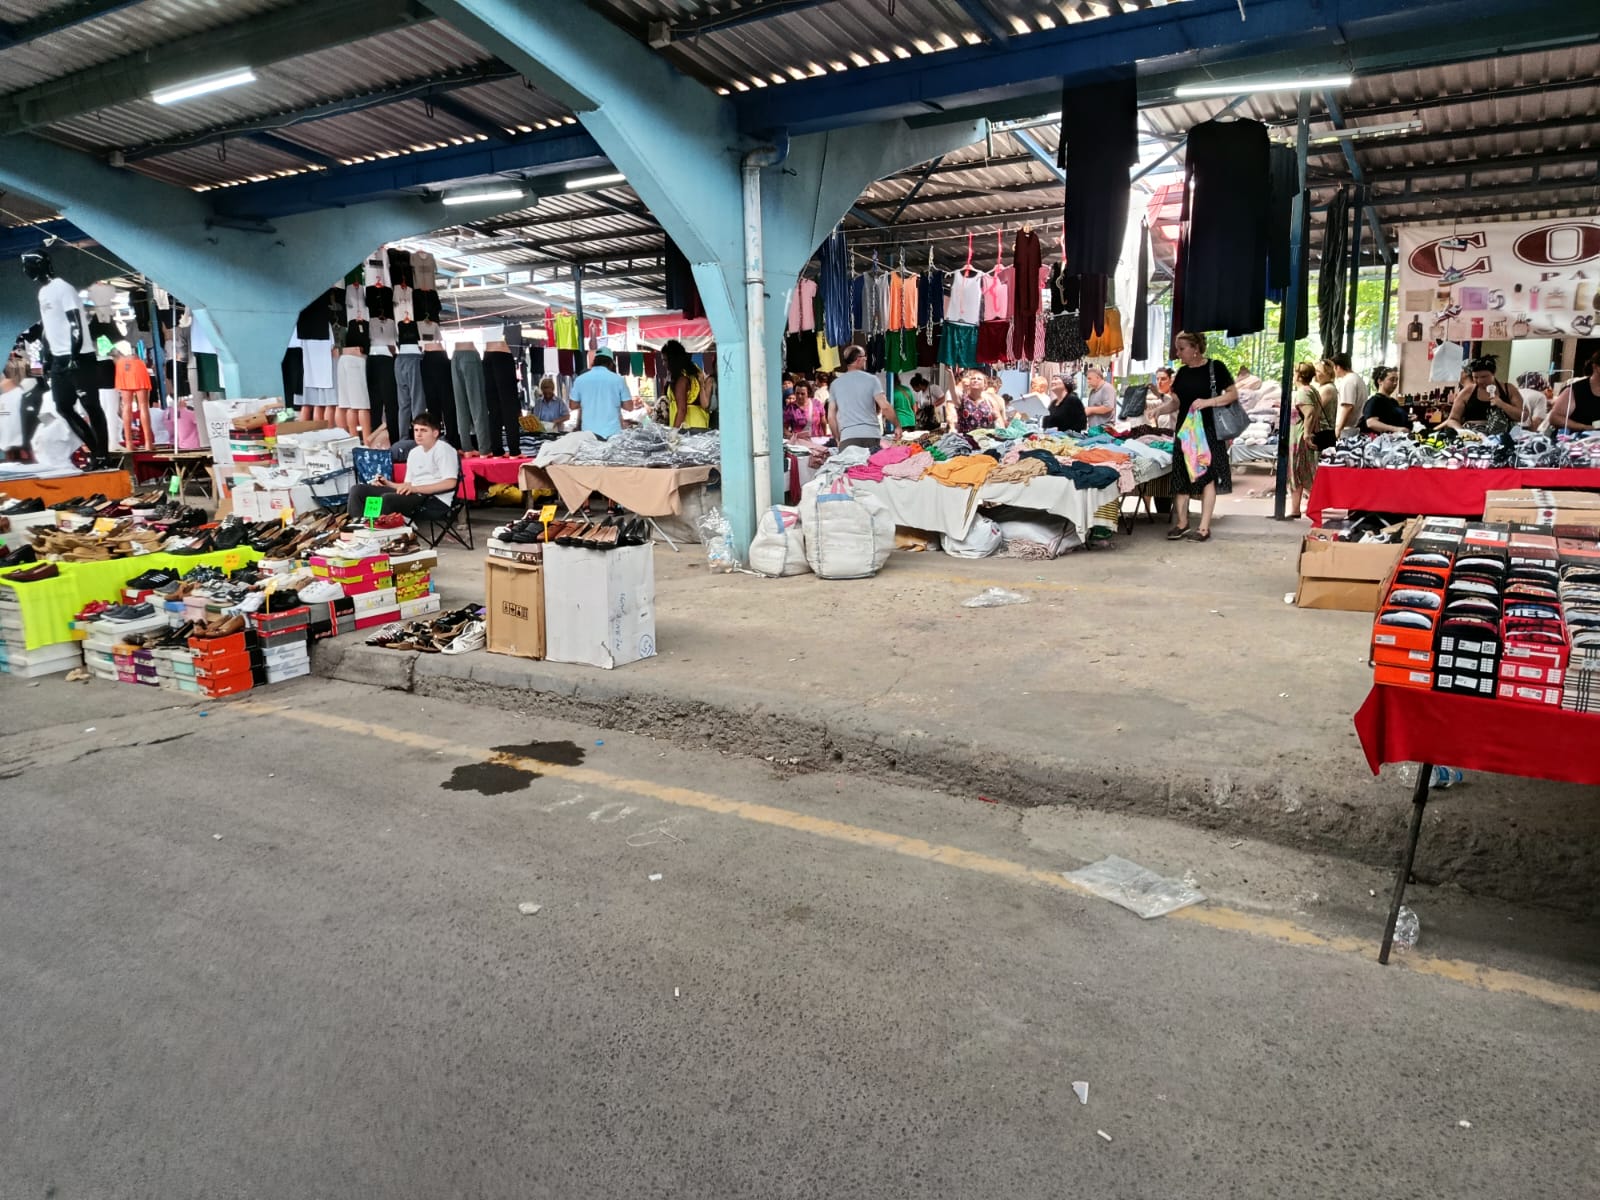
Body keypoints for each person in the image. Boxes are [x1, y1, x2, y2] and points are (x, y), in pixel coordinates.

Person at [1149, 330, 1235, 542]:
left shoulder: (1216, 368)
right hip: (1186, 432)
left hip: (1209, 432)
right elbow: (1177, 403)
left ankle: (1204, 527)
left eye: (1181, 349)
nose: (1178, 353)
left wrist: (1208, 402)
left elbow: (1232, 394)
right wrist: (1160, 410)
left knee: (1207, 478)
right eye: (1177, 349)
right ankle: (1182, 523)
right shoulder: (1182, 373)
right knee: (1181, 476)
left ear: (1195, 348)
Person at [346, 413, 458, 518]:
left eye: (423, 430)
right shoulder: (414, 452)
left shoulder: (443, 449)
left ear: (435, 433)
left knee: (387, 499)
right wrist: (387, 483)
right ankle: (360, 527)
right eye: (416, 430)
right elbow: (407, 485)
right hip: (413, 494)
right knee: (358, 490)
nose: (418, 434)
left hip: (434, 499)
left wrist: (415, 489)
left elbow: (450, 483)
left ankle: (378, 528)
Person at [827, 344, 894, 449]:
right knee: (872, 460)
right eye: (864, 357)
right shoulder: (872, 380)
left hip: (848, 437)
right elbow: (884, 406)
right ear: (858, 359)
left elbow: (831, 417)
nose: (866, 359)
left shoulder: (835, 384)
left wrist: (838, 438)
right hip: (871, 436)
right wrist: (897, 425)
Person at [1446, 355, 1522, 432]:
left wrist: (1502, 404)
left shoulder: (1508, 389)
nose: (1480, 381)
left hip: (1504, 434)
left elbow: (1522, 416)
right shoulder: (1467, 392)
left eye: (1484, 377)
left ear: (1493, 373)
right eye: (1475, 377)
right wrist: (1462, 432)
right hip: (1473, 434)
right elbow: (1452, 419)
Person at [1286, 362, 1322, 520]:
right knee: (1304, 472)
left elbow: (1310, 412)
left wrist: (1306, 433)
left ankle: (1301, 508)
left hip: (1299, 437)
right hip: (1303, 436)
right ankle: (1297, 508)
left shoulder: (1302, 392)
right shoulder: (1313, 390)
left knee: (1297, 472)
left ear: (1298, 375)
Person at [570, 349, 630, 438]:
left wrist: (588, 401)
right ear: (610, 363)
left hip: (589, 434)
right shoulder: (618, 380)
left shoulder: (580, 379)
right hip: (612, 433)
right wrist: (613, 400)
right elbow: (629, 407)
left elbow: (572, 405)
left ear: (595, 361)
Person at [113, 340, 155, 451]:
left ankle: (129, 443)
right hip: (136, 363)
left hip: (122, 365)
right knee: (143, 406)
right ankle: (148, 443)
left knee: (126, 406)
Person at [662, 339, 710, 428]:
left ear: (673, 360)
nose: (663, 364)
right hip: (699, 422)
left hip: (689, 426)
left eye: (665, 360)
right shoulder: (694, 371)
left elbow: (682, 410)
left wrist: (673, 432)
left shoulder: (681, 379)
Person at [1551, 352, 1600, 432]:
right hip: (1578, 437)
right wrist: (1585, 427)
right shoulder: (1575, 390)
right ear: (1596, 367)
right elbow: (1554, 418)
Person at [1362, 366, 1409, 434]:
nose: (1395, 383)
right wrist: (1396, 429)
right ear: (1380, 381)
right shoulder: (1374, 401)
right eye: (1392, 380)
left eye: (1396, 380)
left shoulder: (1394, 402)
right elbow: (1371, 423)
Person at [1332, 352, 1367, 438]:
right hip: (1356, 427)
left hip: (1348, 430)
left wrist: (1339, 428)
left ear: (1337, 367)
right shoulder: (1357, 379)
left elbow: (1347, 406)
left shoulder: (1348, 381)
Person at [1314, 358, 1339, 435]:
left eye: (1318, 371)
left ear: (1328, 373)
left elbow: (1315, 410)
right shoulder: (1323, 387)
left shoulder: (1328, 389)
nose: (1314, 374)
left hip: (1324, 432)